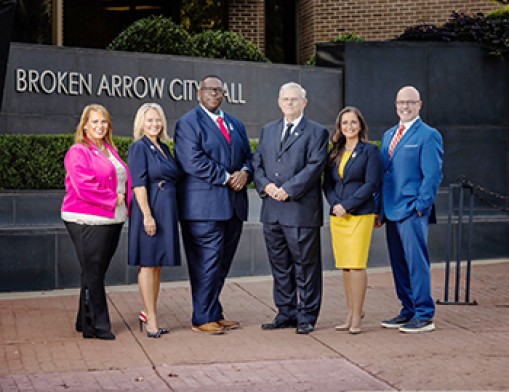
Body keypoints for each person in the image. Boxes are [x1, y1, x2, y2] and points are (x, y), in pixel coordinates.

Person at [174, 75, 252, 334]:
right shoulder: (187, 123)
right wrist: (227, 176)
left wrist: (245, 172)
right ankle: (201, 318)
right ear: (199, 93)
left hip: (233, 206)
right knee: (206, 262)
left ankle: (214, 312)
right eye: (209, 90)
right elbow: (192, 161)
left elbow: (249, 157)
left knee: (221, 263)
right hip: (202, 208)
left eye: (219, 90)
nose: (215, 94)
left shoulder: (235, 124)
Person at [253, 82, 329, 335]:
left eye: (294, 99)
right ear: (278, 101)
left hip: (300, 210)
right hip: (272, 210)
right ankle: (285, 312)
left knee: (305, 265)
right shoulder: (268, 130)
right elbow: (258, 165)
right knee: (280, 265)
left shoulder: (317, 132)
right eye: (285, 99)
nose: (289, 103)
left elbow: (315, 166)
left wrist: (288, 189)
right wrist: (266, 186)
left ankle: (306, 315)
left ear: (304, 102)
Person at [376, 85, 443, 333]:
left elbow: (433, 175)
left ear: (419, 105)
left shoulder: (428, 135)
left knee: (416, 263)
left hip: (412, 211)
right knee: (399, 263)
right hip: (390, 210)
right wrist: (379, 209)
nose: (405, 106)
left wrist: (420, 206)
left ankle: (424, 314)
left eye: (410, 102)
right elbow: (384, 173)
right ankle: (408, 309)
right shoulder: (388, 135)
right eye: (400, 102)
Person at [61, 104, 132, 340]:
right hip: (86, 219)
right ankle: (100, 325)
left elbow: (123, 179)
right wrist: (114, 199)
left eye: (103, 122)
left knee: (94, 271)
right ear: (84, 126)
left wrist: (127, 205)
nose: (100, 126)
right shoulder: (77, 151)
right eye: (94, 122)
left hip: (112, 219)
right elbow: (84, 187)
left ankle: (84, 321)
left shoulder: (109, 149)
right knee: (94, 273)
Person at [323, 106, 383, 334]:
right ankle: (349, 314)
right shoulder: (334, 153)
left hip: (360, 214)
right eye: (344, 123)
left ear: (361, 126)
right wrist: (335, 205)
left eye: (353, 122)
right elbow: (327, 184)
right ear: (339, 127)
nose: (349, 127)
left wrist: (347, 205)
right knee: (346, 267)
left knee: (357, 265)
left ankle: (358, 316)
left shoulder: (370, 151)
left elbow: (372, 183)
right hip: (338, 215)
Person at [127, 103, 181, 338]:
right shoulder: (139, 148)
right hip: (149, 209)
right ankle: (152, 321)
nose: (154, 124)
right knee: (148, 264)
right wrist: (147, 215)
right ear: (141, 123)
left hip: (166, 209)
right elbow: (138, 184)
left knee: (157, 264)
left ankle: (149, 312)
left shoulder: (164, 148)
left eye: (158, 120)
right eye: (149, 120)